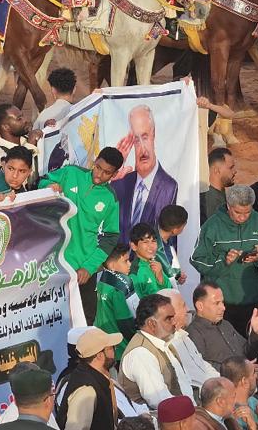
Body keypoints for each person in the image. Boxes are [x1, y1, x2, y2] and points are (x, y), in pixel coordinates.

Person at [39, 147, 123, 322]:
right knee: (48, 317)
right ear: (95, 160)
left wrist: (89, 268)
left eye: (106, 173)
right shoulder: (71, 172)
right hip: (52, 262)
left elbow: (110, 236)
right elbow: (41, 182)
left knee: (85, 320)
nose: (99, 175)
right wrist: (48, 186)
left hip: (82, 270)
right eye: (98, 167)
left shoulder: (111, 199)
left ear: (114, 174)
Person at [192, 185, 258, 333]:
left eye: (247, 212)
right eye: (238, 212)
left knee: (250, 347)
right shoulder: (212, 226)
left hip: (253, 300)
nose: (243, 217)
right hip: (220, 303)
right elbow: (197, 260)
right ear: (228, 206)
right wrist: (224, 261)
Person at [111, 104, 178, 242]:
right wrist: (111, 177)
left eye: (145, 137)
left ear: (153, 134)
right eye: (136, 140)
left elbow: (166, 240)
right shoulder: (120, 183)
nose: (142, 149)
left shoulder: (169, 186)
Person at [118, 294, 193, 408]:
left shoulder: (164, 340)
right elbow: (159, 400)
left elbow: (184, 385)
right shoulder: (140, 353)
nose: (174, 322)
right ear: (152, 324)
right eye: (168, 318)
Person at [185, 282, 258, 372]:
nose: (223, 307)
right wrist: (239, 369)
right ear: (200, 306)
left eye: (222, 302)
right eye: (216, 303)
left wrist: (256, 332)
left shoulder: (225, 324)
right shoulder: (194, 333)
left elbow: (248, 353)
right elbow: (201, 367)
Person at [55, 327, 122, 430]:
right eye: (111, 348)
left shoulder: (97, 377)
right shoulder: (86, 390)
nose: (114, 351)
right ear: (99, 355)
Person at [94, 244, 137, 359]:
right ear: (112, 265)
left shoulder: (97, 280)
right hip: (121, 349)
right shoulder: (119, 287)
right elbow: (125, 323)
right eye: (126, 261)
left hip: (101, 346)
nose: (130, 264)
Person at [219, 357, 258, 430]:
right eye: (253, 373)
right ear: (244, 381)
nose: (256, 376)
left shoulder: (251, 401)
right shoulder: (234, 419)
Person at [0, 103, 39, 176]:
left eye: (23, 116)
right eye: (19, 119)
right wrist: (31, 145)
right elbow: (17, 181)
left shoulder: (26, 137)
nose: (25, 120)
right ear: (6, 127)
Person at [129, 224, 175, 297]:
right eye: (145, 242)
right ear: (134, 246)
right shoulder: (134, 271)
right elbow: (136, 304)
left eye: (153, 241)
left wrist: (160, 277)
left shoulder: (156, 265)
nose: (151, 246)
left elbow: (170, 292)